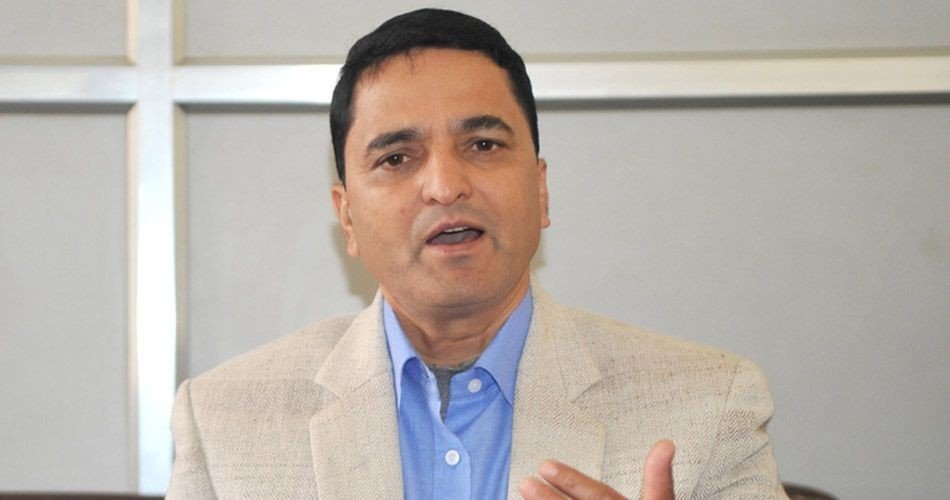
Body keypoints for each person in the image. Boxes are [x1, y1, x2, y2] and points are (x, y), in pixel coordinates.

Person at [167, 8, 787, 499]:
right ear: (347, 216)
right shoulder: (226, 422)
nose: (445, 186)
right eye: (396, 158)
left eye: (484, 145)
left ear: (540, 191)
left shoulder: (709, 405)